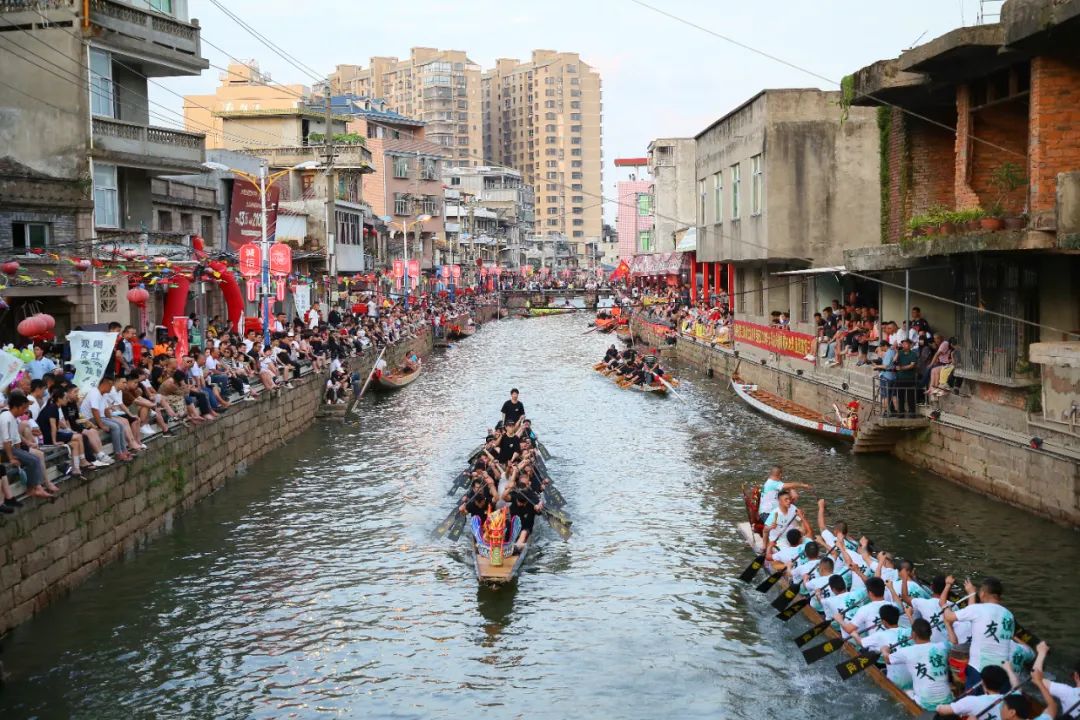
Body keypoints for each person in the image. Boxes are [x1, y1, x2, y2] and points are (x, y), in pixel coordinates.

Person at [944, 577, 1015, 693]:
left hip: (979, 670)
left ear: (982, 593)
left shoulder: (978, 609)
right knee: (998, 707)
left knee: (972, 706)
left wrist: (945, 607)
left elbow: (949, 617)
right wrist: (971, 594)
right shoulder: (1009, 615)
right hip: (1003, 671)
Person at [881, 617, 956, 711]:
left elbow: (887, 659)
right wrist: (948, 624)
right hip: (947, 699)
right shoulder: (942, 646)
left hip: (925, 704)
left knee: (903, 692)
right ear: (930, 633)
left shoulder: (906, 651)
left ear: (913, 634)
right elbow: (954, 642)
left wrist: (884, 650)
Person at [2, 392, 53, 499]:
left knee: (34, 458)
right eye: (24, 408)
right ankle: (34, 489)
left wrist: (22, 454)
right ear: (17, 407)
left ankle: (35, 487)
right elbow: (6, 441)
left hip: (10, 448)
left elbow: (16, 440)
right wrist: (11, 458)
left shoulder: (13, 418)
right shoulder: (5, 417)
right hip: (3, 450)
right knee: (34, 460)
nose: (25, 411)